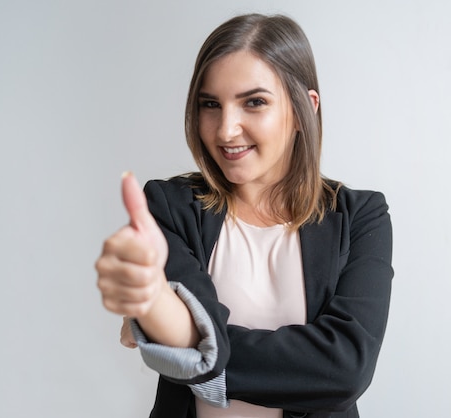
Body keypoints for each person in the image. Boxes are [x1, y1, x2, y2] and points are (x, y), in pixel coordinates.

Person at [95, 13, 393, 418]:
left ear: (304, 108)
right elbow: (184, 327)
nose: (225, 130)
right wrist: (156, 306)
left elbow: (344, 369)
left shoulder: (361, 216)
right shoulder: (169, 206)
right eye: (210, 105)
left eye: (254, 102)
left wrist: (181, 343)